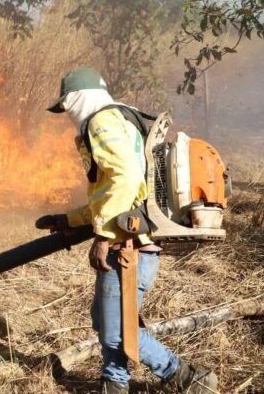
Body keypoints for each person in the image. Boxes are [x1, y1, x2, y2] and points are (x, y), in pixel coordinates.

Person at [35, 68, 218, 394]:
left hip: (127, 249)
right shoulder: (123, 119)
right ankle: (115, 384)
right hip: (136, 245)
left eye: (67, 105)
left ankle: (190, 378)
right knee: (108, 323)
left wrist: (105, 237)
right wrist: (69, 220)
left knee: (118, 331)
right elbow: (114, 195)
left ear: (79, 97)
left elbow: (126, 178)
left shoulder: (101, 122)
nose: (67, 115)